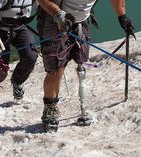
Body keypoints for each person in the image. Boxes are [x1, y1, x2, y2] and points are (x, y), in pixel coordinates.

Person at [36, 0, 134, 132]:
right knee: (56, 69)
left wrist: (122, 16)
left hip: (81, 19)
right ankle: (50, 107)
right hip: (53, 18)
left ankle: (82, 106)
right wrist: (58, 13)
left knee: (81, 60)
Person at [0, 0, 38, 100]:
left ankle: (17, 81)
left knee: (31, 56)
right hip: (0, 30)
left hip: (20, 28)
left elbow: (44, 7)